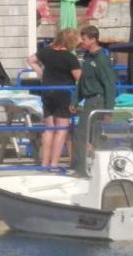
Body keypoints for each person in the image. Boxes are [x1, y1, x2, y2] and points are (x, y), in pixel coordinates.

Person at [26, 28, 81, 169]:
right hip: (64, 93)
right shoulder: (70, 57)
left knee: (49, 129)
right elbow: (79, 78)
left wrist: (42, 74)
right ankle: (54, 163)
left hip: (47, 91)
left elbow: (30, 60)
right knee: (61, 130)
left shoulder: (46, 52)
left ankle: (45, 164)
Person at [73, 25, 116, 176]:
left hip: (97, 102)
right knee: (85, 135)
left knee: (84, 134)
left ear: (93, 39)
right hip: (88, 100)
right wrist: (75, 100)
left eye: (84, 39)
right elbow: (83, 81)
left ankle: (82, 170)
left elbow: (110, 85)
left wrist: (109, 110)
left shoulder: (101, 59)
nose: (82, 42)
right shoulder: (87, 57)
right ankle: (86, 167)